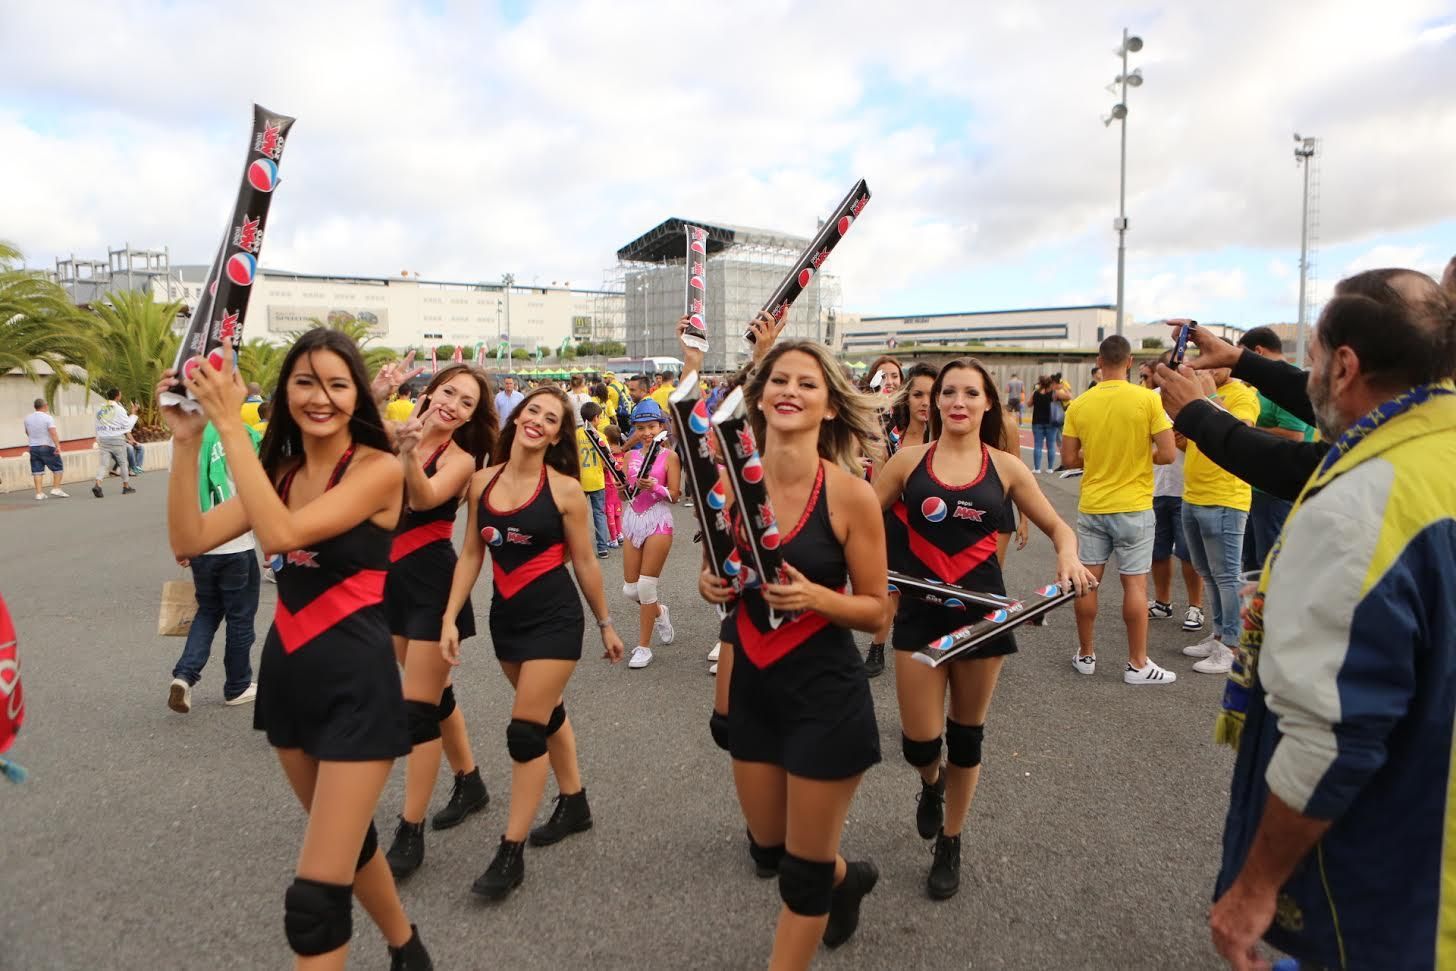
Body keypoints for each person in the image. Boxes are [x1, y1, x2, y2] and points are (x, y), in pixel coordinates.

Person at [159, 329, 433, 969]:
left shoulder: (379, 469)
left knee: (313, 903)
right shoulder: (277, 473)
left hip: (358, 689)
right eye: (305, 382)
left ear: (357, 394)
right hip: (287, 679)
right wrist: (188, 437)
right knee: (345, 845)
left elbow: (280, 533)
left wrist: (228, 422)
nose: (321, 397)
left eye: (338, 383)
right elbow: (189, 536)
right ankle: (407, 947)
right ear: (286, 391)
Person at [1207, 268, 1456, 970]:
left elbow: (1335, 733)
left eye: (1312, 354)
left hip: (1389, 884)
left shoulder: (1364, 501)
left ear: (1344, 365)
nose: (1307, 370)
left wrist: (1254, 888)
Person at [697, 339, 889, 967]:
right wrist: (710, 583)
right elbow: (715, 568)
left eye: (808, 384)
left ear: (830, 407)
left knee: (798, 879)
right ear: (759, 397)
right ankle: (846, 878)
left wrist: (816, 597)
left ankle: (823, 884)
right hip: (754, 685)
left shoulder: (850, 494)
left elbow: (878, 610)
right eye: (779, 380)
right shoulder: (728, 486)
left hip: (825, 696)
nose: (790, 391)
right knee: (773, 847)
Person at [875, 357, 1093, 899]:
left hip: (983, 618)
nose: (957, 402)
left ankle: (951, 839)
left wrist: (1067, 557)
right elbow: (858, 520)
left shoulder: (1006, 468)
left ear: (988, 402)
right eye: (948, 392)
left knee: (966, 736)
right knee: (919, 743)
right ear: (931, 400)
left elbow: (1058, 527)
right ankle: (931, 784)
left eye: (970, 393)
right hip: (920, 615)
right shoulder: (905, 463)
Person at [439, 386, 625, 901]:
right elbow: (472, 553)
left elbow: (585, 562)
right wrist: (451, 616)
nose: (538, 420)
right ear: (517, 418)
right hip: (507, 619)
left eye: (550, 417)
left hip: (555, 619)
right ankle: (575, 801)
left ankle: (510, 850)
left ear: (558, 434)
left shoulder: (565, 490)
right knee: (548, 713)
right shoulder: (481, 482)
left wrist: (606, 623)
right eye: (532, 411)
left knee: (525, 732)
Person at [381, 363, 498, 880]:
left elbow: (423, 498)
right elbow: (341, 426)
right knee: (431, 692)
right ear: (429, 390)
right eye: (448, 391)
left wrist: (407, 454)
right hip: (383, 582)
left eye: (466, 402)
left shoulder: (462, 459)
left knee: (417, 711)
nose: (453, 404)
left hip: (430, 584)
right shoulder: (393, 428)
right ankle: (469, 780)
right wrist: (377, 391)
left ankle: (411, 828)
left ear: (472, 416)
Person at [1060, 336, 1179, 684]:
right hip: (1135, 507)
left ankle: (1086, 654)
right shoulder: (1147, 400)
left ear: (1099, 360)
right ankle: (1137, 664)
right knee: (1135, 587)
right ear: (1129, 362)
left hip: (1094, 506)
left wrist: (1096, 457)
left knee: (1087, 584)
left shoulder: (1080, 404)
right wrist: (1142, 456)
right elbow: (1169, 454)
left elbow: (1068, 459)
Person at [167, 420, 263, 713]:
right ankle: (237, 685)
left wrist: (180, 543)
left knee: (208, 611)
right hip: (237, 543)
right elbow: (259, 490)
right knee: (240, 619)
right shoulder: (241, 434)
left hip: (199, 542)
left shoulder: (181, 437)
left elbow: (178, 493)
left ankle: (185, 676)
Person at [1178, 363, 1260, 675]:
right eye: (1204, 364)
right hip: (1194, 494)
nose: (1208, 370)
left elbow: (1240, 435)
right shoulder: (1200, 396)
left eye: (1215, 365)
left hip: (1226, 497)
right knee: (1208, 573)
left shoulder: (1241, 396)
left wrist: (1209, 394)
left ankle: (1233, 647)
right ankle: (1218, 636)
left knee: (1227, 575)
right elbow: (1192, 442)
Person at [863, 363, 937, 677]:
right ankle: (877, 647)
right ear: (907, 398)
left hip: (936, 524)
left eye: (932, 395)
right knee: (892, 586)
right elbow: (879, 487)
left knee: (933, 588)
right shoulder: (892, 436)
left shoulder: (951, 437)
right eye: (918, 394)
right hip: (896, 518)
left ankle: (933, 641)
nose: (925, 402)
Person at [1235, 327, 1312, 571]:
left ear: (1257, 352)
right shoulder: (1262, 389)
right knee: (1252, 565)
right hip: (1259, 487)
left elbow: (1294, 435)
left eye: (1240, 357)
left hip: (1277, 491)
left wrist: (1243, 432)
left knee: (1269, 564)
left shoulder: (1286, 385)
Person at [1140, 356, 1205, 632]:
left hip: (1185, 487)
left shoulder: (1195, 399)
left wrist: (1183, 441)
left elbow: (1205, 443)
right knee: (1158, 551)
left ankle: (1195, 607)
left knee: (1188, 554)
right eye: (1161, 373)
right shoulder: (1148, 400)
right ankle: (1163, 602)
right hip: (1155, 487)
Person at [620, 399, 681, 669]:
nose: (647, 432)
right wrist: (620, 487)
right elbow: (626, 494)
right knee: (630, 590)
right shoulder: (630, 457)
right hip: (633, 519)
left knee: (646, 586)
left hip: (658, 519)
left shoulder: (670, 457)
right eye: (641, 427)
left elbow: (676, 496)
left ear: (661, 427)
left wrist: (656, 486)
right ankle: (659, 611)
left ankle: (643, 647)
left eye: (652, 426)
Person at [576, 401, 613, 557]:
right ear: (596, 418)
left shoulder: (576, 434)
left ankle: (578, 547)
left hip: (579, 481)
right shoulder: (601, 436)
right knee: (599, 513)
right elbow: (608, 460)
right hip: (597, 480)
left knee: (577, 515)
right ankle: (602, 547)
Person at [92, 388, 137, 498]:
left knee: (103, 464)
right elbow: (127, 427)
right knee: (123, 463)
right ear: (117, 396)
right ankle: (126, 486)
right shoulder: (119, 409)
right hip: (117, 440)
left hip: (103, 439)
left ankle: (98, 484)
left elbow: (97, 424)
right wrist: (134, 414)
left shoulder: (100, 408)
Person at [23, 398, 67, 500]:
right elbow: (53, 432)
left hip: (33, 447)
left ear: (35, 406)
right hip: (47, 446)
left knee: (37, 470)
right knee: (58, 468)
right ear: (45, 406)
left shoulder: (27, 418)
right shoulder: (48, 418)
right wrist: (58, 446)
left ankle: (39, 493)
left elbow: (27, 432)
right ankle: (56, 488)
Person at [1028, 376, 1068, 473]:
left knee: (1037, 445)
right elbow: (1068, 396)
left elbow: (1028, 404)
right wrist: (1063, 387)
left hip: (1037, 422)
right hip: (1051, 422)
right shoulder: (1055, 393)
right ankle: (1050, 468)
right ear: (1051, 383)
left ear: (1040, 383)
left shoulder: (1035, 393)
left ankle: (1037, 468)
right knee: (1051, 445)